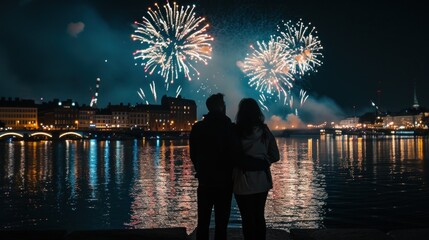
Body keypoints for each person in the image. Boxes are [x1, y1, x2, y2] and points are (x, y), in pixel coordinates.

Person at [189, 93, 240, 240]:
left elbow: (193, 154)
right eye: (223, 105)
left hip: (204, 181)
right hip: (225, 182)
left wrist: (201, 169)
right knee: (221, 223)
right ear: (220, 107)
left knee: (203, 222)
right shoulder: (230, 128)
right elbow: (235, 153)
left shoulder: (197, 128)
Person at [232, 98, 280, 240]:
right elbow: (275, 155)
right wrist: (264, 161)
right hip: (261, 180)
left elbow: (231, 155)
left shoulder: (236, 130)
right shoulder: (264, 131)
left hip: (242, 181)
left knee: (247, 218)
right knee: (259, 215)